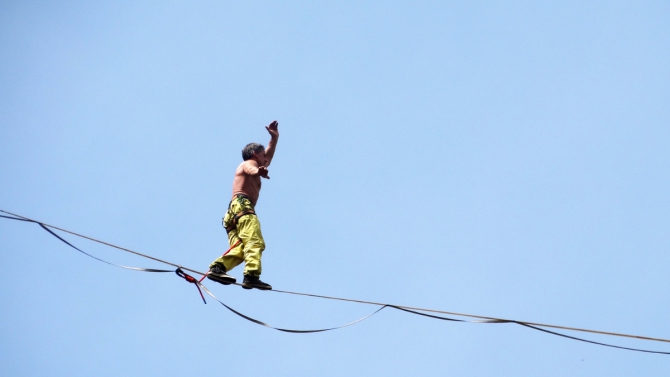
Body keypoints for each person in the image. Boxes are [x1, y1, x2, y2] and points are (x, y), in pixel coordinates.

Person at [207, 120, 279, 290]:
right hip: (243, 207)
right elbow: (251, 169)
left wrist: (274, 139)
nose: (266, 159)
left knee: (240, 248)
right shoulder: (249, 164)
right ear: (254, 154)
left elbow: (266, 157)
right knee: (255, 242)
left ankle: (218, 268)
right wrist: (258, 171)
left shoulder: (256, 161)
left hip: (232, 214)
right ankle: (251, 275)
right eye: (262, 156)